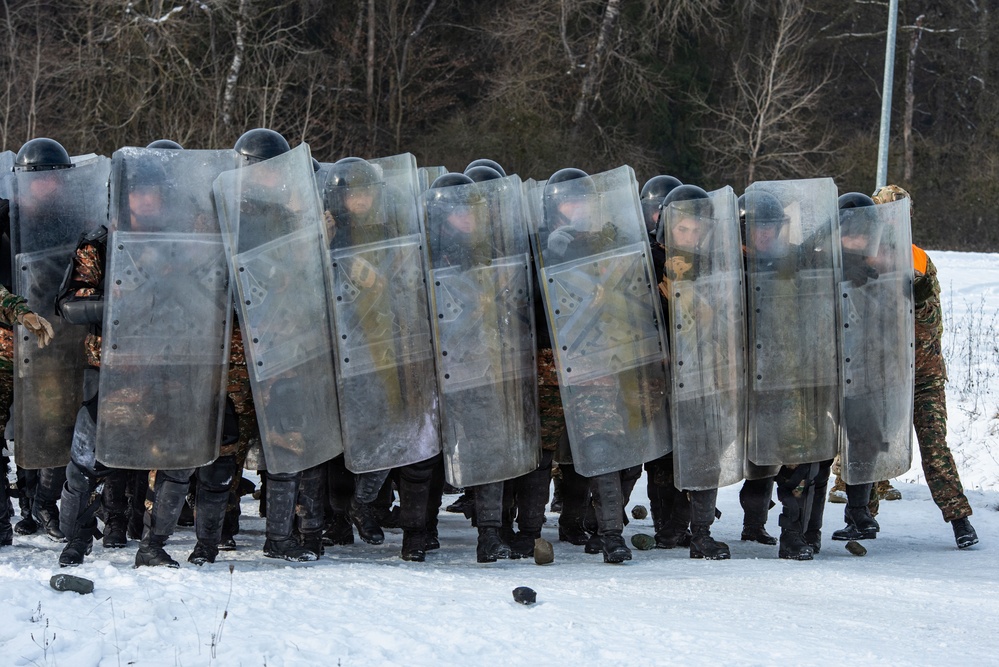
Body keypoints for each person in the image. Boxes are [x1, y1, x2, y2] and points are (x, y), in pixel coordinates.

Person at [868, 184, 979, 549]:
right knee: (869, 444)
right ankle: (863, 517)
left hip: (924, 375)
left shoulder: (918, 259)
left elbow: (930, 322)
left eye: (900, 213)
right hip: (883, 374)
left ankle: (959, 520)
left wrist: (911, 297)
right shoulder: (862, 254)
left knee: (934, 447)